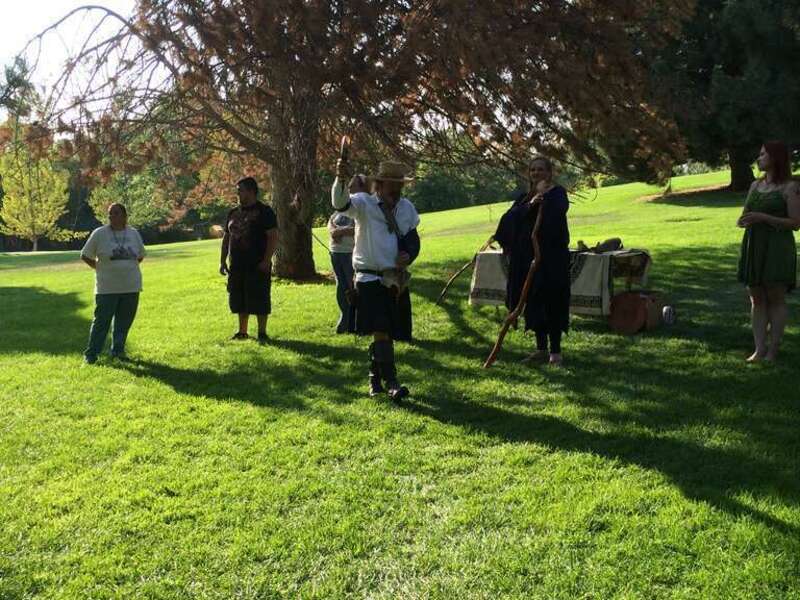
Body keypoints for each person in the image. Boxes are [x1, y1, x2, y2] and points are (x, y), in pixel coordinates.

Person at [332, 158, 421, 401]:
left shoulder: (406, 208)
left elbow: (413, 240)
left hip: (395, 280)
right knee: (380, 328)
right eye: (392, 185)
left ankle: (374, 380)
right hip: (369, 278)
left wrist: (408, 254)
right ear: (379, 185)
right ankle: (392, 382)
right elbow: (340, 203)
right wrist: (340, 178)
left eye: (399, 186)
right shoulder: (364, 203)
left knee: (386, 331)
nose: (396, 190)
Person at [493, 157, 571, 366]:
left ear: (549, 172)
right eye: (533, 170)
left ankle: (556, 352)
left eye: (541, 169)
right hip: (529, 261)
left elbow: (557, 214)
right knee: (534, 303)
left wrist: (543, 199)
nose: (536, 173)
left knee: (552, 302)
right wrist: (530, 205)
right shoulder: (524, 197)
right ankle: (541, 349)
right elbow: (507, 221)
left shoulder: (558, 193)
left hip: (552, 260)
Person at [737, 141, 800, 362]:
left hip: (777, 247)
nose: (759, 158)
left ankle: (773, 350)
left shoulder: (790, 187)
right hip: (754, 245)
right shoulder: (755, 185)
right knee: (756, 298)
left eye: (763, 154)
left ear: (775, 158)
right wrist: (744, 219)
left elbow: (795, 223)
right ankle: (759, 348)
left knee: (775, 297)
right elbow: (746, 213)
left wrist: (763, 217)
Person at [80, 203, 145, 364]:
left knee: (124, 323)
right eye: (110, 213)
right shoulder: (99, 233)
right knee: (101, 322)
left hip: (131, 286)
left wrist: (126, 267)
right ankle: (91, 354)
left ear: (124, 216)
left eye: (116, 213)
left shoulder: (133, 233)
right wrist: (99, 268)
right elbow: (85, 255)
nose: (111, 216)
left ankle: (118, 351)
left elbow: (140, 255)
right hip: (107, 287)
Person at [220, 177, 279, 343]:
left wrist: (266, 260)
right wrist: (222, 260)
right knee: (239, 298)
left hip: (258, 263)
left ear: (251, 191)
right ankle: (242, 331)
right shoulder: (232, 213)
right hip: (237, 264)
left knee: (260, 297)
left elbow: (273, 237)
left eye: (241, 190)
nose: (238, 193)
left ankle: (262, 332)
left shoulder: (265, 212)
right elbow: (226, 238)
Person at [328, 175, 364, 334]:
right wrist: (333, 231)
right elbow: (331, 221)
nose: (349, 189)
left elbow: (360, 228)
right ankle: (344, 317)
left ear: (362, 188)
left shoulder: (361, 206)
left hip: (350, 253)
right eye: (348, 187)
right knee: (340, 286)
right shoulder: (342, 206)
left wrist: (341, 231)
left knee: (352, 287)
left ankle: (354, 321)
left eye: (353, 186)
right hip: (335, 253)